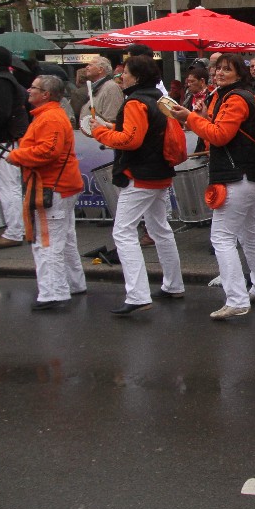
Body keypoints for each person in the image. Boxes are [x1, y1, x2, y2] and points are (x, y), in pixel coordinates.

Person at [173, 54, 255, 319]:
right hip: (251, 174)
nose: (219, 73)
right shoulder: (237, 96)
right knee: (248, 234)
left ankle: (237, 299)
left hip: (239, 176)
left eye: (226, 69)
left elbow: (219, 136)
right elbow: (221, 132)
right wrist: (201, 118)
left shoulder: (234, 99)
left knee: (222, 237)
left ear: (239, 74)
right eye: (217, 68)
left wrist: (191, 118)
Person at [90, 54, 184, 316]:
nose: (121, 76)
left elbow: (131, 140)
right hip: (159, 172)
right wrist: (110, 127)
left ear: (137, 77)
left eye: (126, 73)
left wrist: (100, 131)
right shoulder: (159, 99)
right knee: (160, 229)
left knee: (123, 232)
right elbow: (144, 132)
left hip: (140, 175)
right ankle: (173, 284)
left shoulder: (135, 102)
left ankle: (138, 294)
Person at [6, 75, 86, 310]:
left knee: (47, 241)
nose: (28, 90)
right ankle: (73, 283)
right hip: (61, 185)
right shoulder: (50, 115)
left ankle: (53, 293)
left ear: (46, 94)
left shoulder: (49, 117)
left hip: (52, 186)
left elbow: (48, 151)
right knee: (65, 237)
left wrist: (17, 155)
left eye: (33, 87)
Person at [0, 46, 30, 249]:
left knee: (8, 188)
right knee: (10, 187)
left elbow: (2, 112)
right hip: (8, 139)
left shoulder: (0, 80)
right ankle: (18, 229)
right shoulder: (5, 79)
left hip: (5, 141)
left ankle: (14, 231)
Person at [77, 55, 124, 125]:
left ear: (100, 70)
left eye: (90, 65)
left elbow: (112, 120)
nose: (86, 67)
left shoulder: (111, 88)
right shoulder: (98, 87)